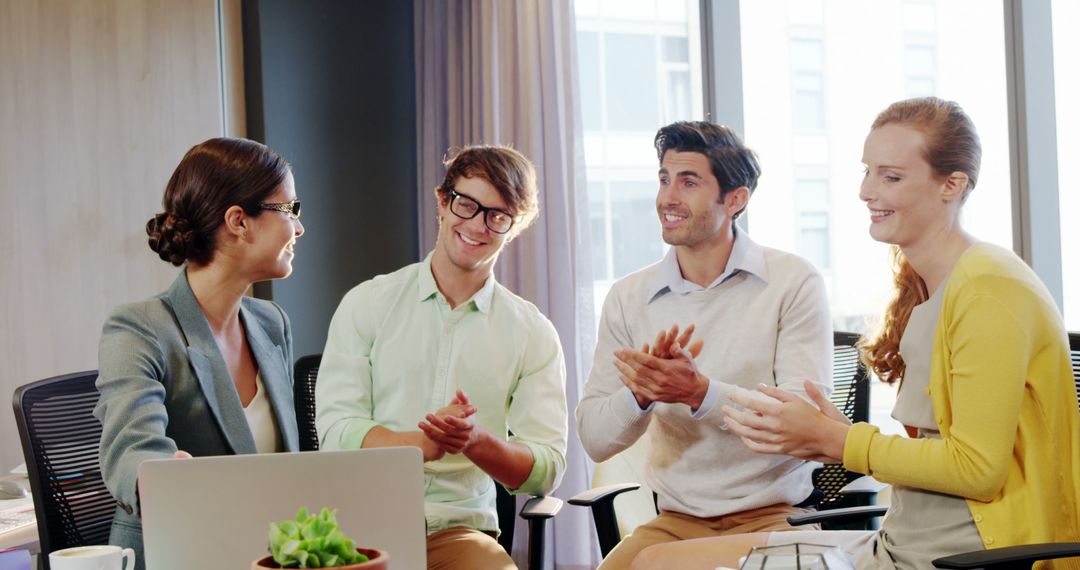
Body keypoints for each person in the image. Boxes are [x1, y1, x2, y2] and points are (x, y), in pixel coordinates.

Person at [630, 97, 1080, 570]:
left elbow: (978, 470)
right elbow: (934, 450)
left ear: (952, 184)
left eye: (891, 177)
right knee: (657, 559)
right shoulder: (935, 285)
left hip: (961, 558)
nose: (867, 191)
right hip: (899, 544)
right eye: (867, 172)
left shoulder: (989, 289)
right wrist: (841, 434)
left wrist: (839, 443)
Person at [576, 121, 833, 569]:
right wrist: (641, 392)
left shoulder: (793, 281)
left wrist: (699, 393)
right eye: (664, 179)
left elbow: (803, 427)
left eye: (688, 182)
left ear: (735, 200)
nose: (667, 198)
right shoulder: (628, 297)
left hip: (774, 519)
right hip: (676, 522)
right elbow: (595, 440)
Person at [315, 145, 568, 569]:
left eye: (497, 216)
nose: (476, 225)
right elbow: (337, 432)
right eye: (466, 205)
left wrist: (476, 442)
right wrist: (423, 445)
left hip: (459, 530)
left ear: (515, 226)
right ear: (442, 202)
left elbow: (545, 469)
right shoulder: (368, 303)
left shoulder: (532, 332)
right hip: (359, 531)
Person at [94, 137, 304, 569]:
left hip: (266, 554)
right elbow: (130, 452)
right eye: (290, 211)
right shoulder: (139, 328)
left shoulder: (271, 323)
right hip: (181, 554)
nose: (299, 228)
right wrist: (165, 474)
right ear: (238, 221)